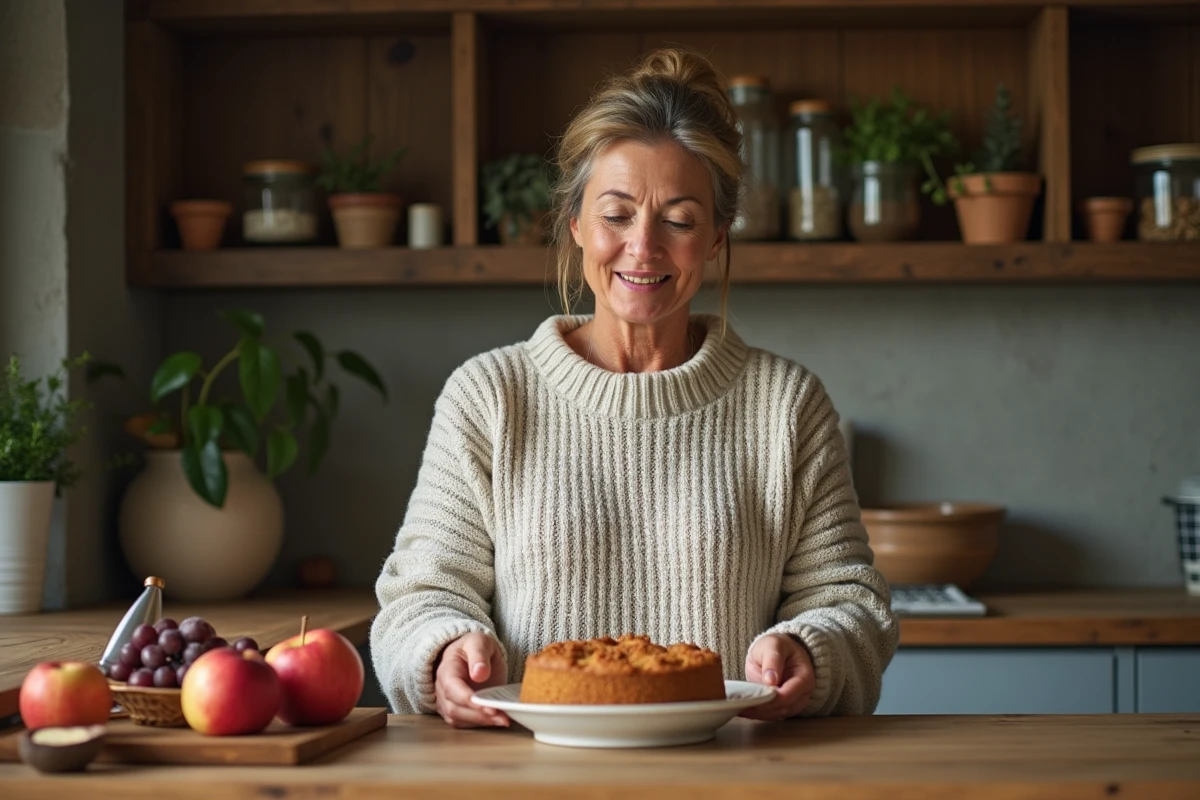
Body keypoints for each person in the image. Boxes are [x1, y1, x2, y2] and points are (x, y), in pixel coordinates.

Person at [371, 47, 897, 729]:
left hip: (734, 776)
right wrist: (441, 651)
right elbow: (419, 596)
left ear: (715, 238)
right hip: (531, 778)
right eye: (617, 214)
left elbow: (852, 603)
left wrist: (810, 648)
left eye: (678, 220)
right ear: (577, 225)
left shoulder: (786, 405)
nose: (642, 248)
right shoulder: (490, 396)